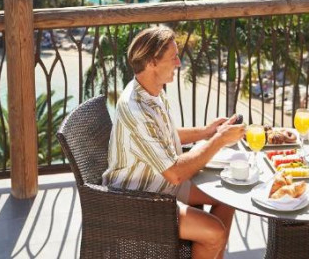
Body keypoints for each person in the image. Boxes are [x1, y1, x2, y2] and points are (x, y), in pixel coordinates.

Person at [102, 26, 246, 259]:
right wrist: (219, 140)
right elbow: (175, 173)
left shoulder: (153, 91)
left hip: (160, 184)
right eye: (173, 58)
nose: (179, 63)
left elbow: (165, 135)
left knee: (228, 197)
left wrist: (206, 132)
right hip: (138, 201)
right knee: (214, 232)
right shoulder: (136, 108)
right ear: (152, 62)